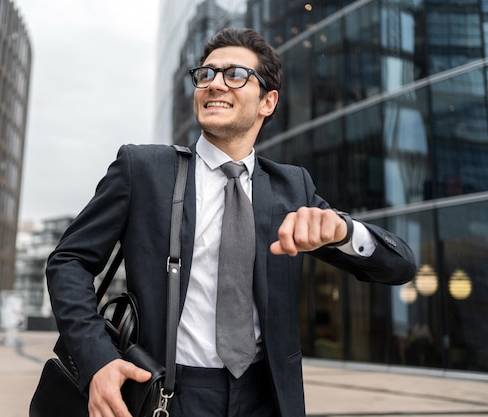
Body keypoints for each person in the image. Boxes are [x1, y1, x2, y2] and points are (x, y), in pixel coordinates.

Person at [46, 27, 417, 417]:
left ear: (267, 102)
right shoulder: (143, 169)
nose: (215, 84)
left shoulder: (292, 188)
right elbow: (68, 261)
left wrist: (344, 231)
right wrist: (97, 360)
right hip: (167, 394)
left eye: (235, 75)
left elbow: (400, 266)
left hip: (266, 397)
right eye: (206, 74)